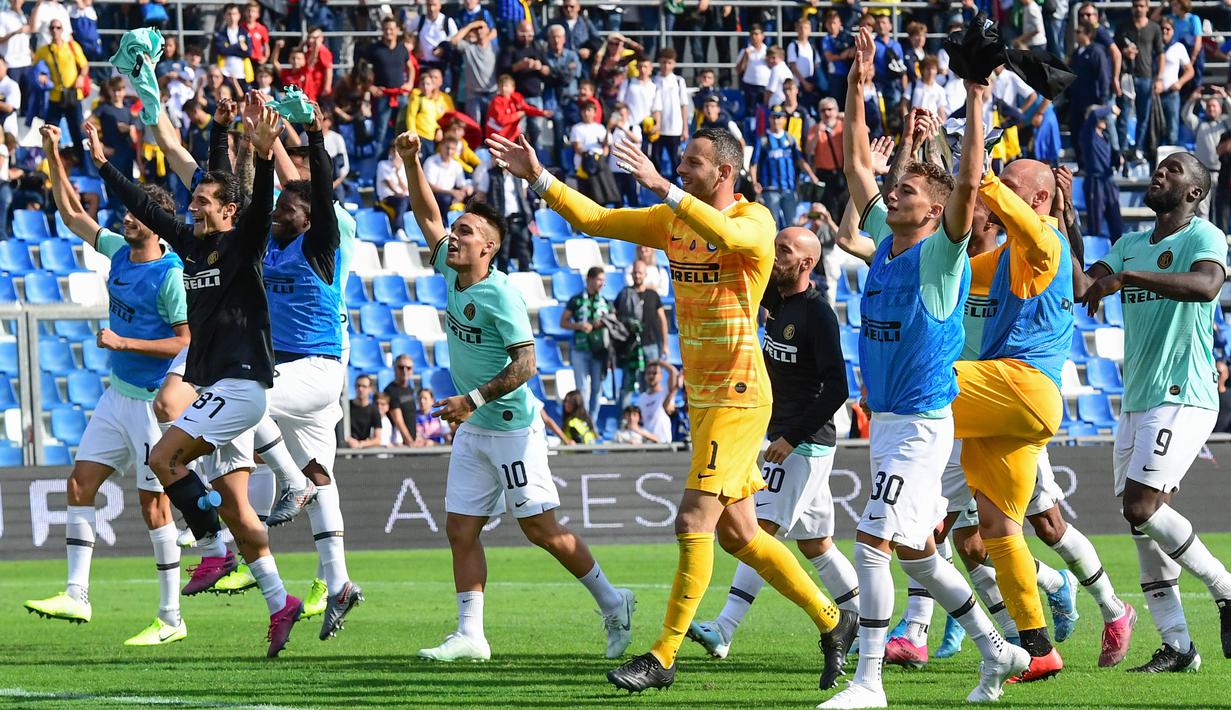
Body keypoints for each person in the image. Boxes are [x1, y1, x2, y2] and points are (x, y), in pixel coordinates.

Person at [490, 124, 850, 694]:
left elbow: (731, 240)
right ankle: (834, 620)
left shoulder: (756, 221)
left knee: (691, 522)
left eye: (692, 163)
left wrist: (664, 188)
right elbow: (598, 220)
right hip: (702, 398)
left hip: (739, 394)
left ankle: (663, 656)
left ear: (724, 173)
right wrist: (538, 176)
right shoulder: (674, 220)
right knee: (741, 535)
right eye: (679, 164)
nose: (680, 170)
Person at [821, 27, 1027, 708]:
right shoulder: (884, 238)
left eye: (905, 188)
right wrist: (857, 85)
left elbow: (967, 181)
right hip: (885, 422)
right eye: (895, 188)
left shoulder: (941, 254)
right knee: (916, 554)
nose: (892, 190)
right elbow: (856, 164)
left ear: (934, 211)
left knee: (871, 541)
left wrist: (974, 98)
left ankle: (868, 683)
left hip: (919, 424)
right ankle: (996, 652)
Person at [397, 129, 635, 662]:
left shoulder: (500, 292)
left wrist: (471, 402)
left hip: (509, 426)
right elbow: (426, 216)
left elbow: (527, 364)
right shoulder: (450, 268)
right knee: (461, 528)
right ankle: (471, 637)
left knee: (541, 530)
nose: (453, 237)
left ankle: (614, 601)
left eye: (467, 232)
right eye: (456, 231)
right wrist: (413, 162)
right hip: (475, 425)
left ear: (490, 247)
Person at [91, 102, 304, 658]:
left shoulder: (244, 242)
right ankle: (280, 600)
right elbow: (144, 204)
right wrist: (102, 166)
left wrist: (257, 149)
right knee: (235, 503)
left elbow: (252, 201)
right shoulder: (191, 245)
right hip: (219, 390)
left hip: (243, 385)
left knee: (163, 460)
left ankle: (214, 547)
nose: (193, 204)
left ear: (229, 210)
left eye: (204, 200)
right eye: (194, 199)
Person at [23, 124, 191, 647]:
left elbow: (185, 340)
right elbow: (73, 215)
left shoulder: (170, 275)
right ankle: (77, 593)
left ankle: (170, 617)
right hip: (115, 396)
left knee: (153, 507)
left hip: (148, 405)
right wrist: (54, 155)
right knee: (80, 485)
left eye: (136, 210)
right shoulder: (119, 250)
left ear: (156, 221)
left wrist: (124, 344)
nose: (126, 214)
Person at [1074, 151, 1231, 672]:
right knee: (1141, 523)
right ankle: (1179, 647)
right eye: (1158, 167)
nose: (1159, 172)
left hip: (1182, 393)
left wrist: (1130, 279)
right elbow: (1081, 287)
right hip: (1138, 399)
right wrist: (1063, 221)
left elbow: (1208, 285)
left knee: (1141, 508)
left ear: (1195, 191)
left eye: (1174, 169)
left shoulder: (1202, 236)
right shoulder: (1129, 245)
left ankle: (1225, 587)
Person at [688, 225, 859, 661]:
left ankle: (724, 629)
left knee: (756, 531)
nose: (774, 253)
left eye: (783, 249)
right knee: (816, 543)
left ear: (806, 263)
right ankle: (861, 616)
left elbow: (838, 386)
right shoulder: (778, 299)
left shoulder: (818, 315)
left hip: (803, 443)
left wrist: (790, 437)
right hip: (787, 435)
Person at [247, 97, 361, 641]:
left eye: (286, 210)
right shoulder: (272, 241)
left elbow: (322, 192)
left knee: (245, 401)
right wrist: (255, 145)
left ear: (311, 218)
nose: (276, 215)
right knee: (323, 475)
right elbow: (259, 200)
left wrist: (314, 135)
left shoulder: (321, 244)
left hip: (316, 369)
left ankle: (286, 485)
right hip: (293, 372)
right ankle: (339, 583)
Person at [751, 106, 818, 230]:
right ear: (769, 119)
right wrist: (754, 182)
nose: (776, 120)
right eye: (773, 117)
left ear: (784, 119)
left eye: (779, 117)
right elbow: (754, 163)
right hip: (770, 189)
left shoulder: (790, 139)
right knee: (772, 224)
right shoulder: (763, 139)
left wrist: (812, 176)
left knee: (792, 223)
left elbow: (800, 160)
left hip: (789, 188)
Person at [613, 259, 667, 408]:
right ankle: (625, 422)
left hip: (650, 345)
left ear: (645, 274)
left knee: (650, 384)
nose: (637, 275)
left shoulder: (652, 295)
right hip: (629, 347)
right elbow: (613, 315)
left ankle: (649, 418)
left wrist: (665, 344)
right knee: (627, 386)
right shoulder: (624, 294)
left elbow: (662, 319)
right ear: (631, 274)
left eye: (640, 272)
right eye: (635, 272)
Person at [1116, 0, 1165, 157]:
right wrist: (1125, 52)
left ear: (1147, 7)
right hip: (1126, 76)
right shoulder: (1123, 26)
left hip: (1146, 76)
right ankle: (1122, 150)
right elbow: (1115, 51)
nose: (1139, 9)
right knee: (1124, 115)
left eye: (1142, 6)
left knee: (1143, 116)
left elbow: (1161, 54)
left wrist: (1159, 79)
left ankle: (1137, 148)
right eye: (1136, 5)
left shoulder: (1154, 28)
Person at [32, 19, 85, 162]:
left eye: (58, 27)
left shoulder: (72, 46)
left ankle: (82, 162)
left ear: (62, 30)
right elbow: (35, 68)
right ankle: (50, 160)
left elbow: (84, 65)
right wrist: (41, 75)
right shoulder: (44, 50)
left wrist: (81, 77)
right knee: (50, 130)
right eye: (52, 27)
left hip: (72, 93)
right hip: (54, 95)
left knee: (77, 131)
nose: (55, 30)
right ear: (49, 30)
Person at [561, 265, 610, 418]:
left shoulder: (605, 302)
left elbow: (614, 321)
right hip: (580, 348)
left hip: (598, 350)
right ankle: (583, 420)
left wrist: (604, 322)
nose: (601, 283)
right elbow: (563, 322)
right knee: (581, 388)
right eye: (599, 279)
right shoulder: (576, 300)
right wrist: (579, 325)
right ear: (589, 279)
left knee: (597, 387)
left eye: (603, 280)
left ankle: (592, 422)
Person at [366, 17, 416, 157]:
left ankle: (403, 160)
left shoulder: (402, 48)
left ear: (397, 31)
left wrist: (410, 83)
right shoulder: (374, 49)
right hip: (383, 95)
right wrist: (370, 87)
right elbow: (362, 69)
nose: (389, 32)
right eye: (386, 29)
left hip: (401, 94)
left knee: (403, 128)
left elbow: (410, 67)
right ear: (383, 30)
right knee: (380, 132)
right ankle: (379, 162)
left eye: (392, 29)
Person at [1182, 87, 1231, 220]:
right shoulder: (1199, 125)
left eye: (1214, 106)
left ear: (1220, 108)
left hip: (1223, 174)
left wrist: (1225, 97)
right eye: (1209, 106)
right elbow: (1185, 115)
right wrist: (1192, 99)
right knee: (1202, 211)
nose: (1211, 108)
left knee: (1220, 211)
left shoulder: (1225, 124)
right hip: (1203, 174)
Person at [1079, 104, 1125, 241]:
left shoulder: (1104, 136)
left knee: (1116, 224)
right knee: (1096, 224)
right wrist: (1110, 108)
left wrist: (1118, 159)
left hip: (1108, 181)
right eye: (1102, 117)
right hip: (1095, 182)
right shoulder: (1088, 133)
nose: (1104, 119)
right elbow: (1093, 115)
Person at [806, 98, 847, 222]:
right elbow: (809, 150)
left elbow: (865, 131)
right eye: (823, 110)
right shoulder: (815, 128)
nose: (827, 113)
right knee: (830, 209)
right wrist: (818, 133)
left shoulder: (843, 125)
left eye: (830, 109)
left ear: (836, 111)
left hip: (843, 173)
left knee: (845, 207)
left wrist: (848, 117)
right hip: (824, 174)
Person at [651, 48, 688, 180]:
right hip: (658, 128)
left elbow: (684, 105)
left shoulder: (679, 81)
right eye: (663, 62)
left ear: (674, 64)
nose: (666, 66)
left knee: (675, 160)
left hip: (674, 128)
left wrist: (685, 128)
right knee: (655, 158)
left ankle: (676, 185)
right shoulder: (654, 80)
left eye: (669, 62)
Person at [1157, 17, 1193, 147]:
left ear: (1173, 30)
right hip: (1155, 95)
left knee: (1172, 131)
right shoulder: (1154, 45)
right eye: (1162, 28)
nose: (1165, 31)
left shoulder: (1178, 47)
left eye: (1168, 28)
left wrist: (1179, 83)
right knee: (1156, 130)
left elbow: (1190, 70)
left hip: (1171, 94)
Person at [382, 354, 418, 446]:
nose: (405, 371)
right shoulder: (390, 390)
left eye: (408, 368)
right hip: (400, 444)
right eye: (401, 367)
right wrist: (410, 441)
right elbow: (398, 421)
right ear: (395, 369)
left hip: (411, 441)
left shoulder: (410, 389)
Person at [414, 0, 459, 74]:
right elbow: (407, 34)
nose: (431, 8)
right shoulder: (419, 20)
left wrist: (444, 49)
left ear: (439, 6)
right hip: (424, 66)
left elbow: (456, 41)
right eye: (429, 5)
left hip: (442, 67)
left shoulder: (447, 21)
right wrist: (416, 47)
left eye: (434, 5)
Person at [213, 4, 252, 86]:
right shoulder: (220, 34)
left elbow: (248, 53)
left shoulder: (244, 33)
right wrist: (238, 46)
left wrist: (229, 48)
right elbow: (221, 50)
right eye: (229, 14)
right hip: (225, 75)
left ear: (239, 15)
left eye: (234, 14)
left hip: (243, 75)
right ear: (224, 16)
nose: (232, 17)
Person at [376, 144, 410, 237]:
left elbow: (406, 188)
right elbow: (388, 183)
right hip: (387, 198)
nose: (395, 154)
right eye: (393, 151)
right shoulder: (382, 164)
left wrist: (398, 171)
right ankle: (399, 229)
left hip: (404, 197)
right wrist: (398, 193)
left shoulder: (404, 167)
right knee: (402, 201)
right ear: (390, 152)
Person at [347, 374, 383, 448]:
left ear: (370, 389)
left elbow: (378, 440)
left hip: (364, 452)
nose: (360, 389)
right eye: (358, 386)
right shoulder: (346, 406)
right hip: (345, 448)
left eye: (364, 386)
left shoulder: (374, 410)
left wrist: (360, 444)